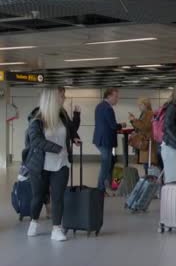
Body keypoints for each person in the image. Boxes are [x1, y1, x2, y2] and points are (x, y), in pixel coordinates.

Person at [25, 88, 81, 241]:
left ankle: (56, 229)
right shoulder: (36, 119)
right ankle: (34, 221)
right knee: (38, 196)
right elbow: (36, 141)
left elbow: (70, 129)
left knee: (58, 197)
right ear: (51, 99)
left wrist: (75, 137)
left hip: (61, 164)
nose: (63, 98)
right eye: (60, 96)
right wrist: (58, 149)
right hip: (40, 165)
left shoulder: (62, 115)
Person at [93, 88, 125, 192]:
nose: (117, 99)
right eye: (116, 96)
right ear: (109, 96)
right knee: (105, 166)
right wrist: (121, 125)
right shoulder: (108, 108)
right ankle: (101, 189)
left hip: (100, 139)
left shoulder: (99, 106)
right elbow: (113, 125)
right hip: (105, 141)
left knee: (109, 163)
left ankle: (109, 185)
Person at [128, 97, 157, 175]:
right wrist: (133, 121)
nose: (138, 107)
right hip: (145, 142)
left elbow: (145, 127)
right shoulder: (145, 113)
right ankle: (147, 179)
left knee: (147, 163)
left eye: (140, 105)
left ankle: (148, 180)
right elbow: (140, 126)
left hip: (147, 142)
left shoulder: (149, 113)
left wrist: (134, 120)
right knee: (146, 163)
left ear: (145, 105)